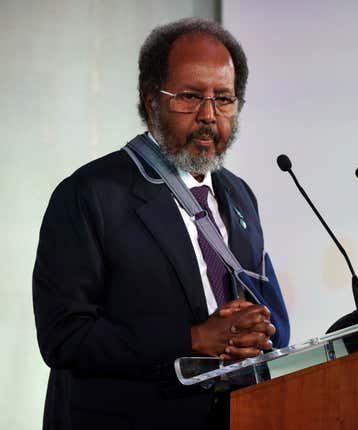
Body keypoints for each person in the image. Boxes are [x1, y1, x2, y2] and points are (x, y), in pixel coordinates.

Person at [32, 18, 289, 430]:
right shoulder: (89, 194)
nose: (209, 115)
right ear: (150, 99)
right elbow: (64, 336)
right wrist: (194, 339)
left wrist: (260, 331)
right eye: (189, 96)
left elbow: (269, 302)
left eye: (223, 99)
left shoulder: (239, 195)